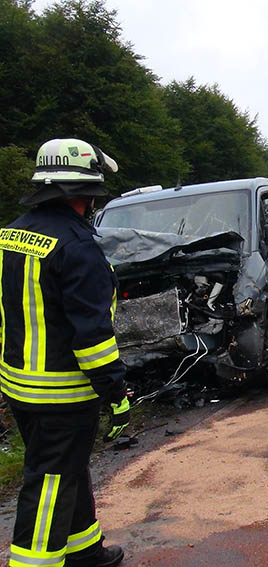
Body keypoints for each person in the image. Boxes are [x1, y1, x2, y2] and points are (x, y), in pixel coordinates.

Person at [0, 139, 129, 567]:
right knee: (50, 482)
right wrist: (115, 392)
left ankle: (84, 552)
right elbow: (92, 337)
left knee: (69, 469)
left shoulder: (11, 234)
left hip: (19, 386)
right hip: (62, 393)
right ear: (87, 194)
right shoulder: (78, 247)